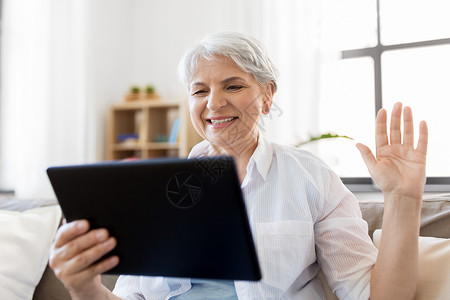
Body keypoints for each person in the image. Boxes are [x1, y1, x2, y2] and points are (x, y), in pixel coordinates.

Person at [49, 31, 428, 300]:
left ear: (267, 96)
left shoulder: (312, 179)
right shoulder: (156, 189)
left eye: (232, 86)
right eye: (200, 90)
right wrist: (85, 289)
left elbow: (375, 296)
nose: (214, 104)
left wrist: (402, 199)